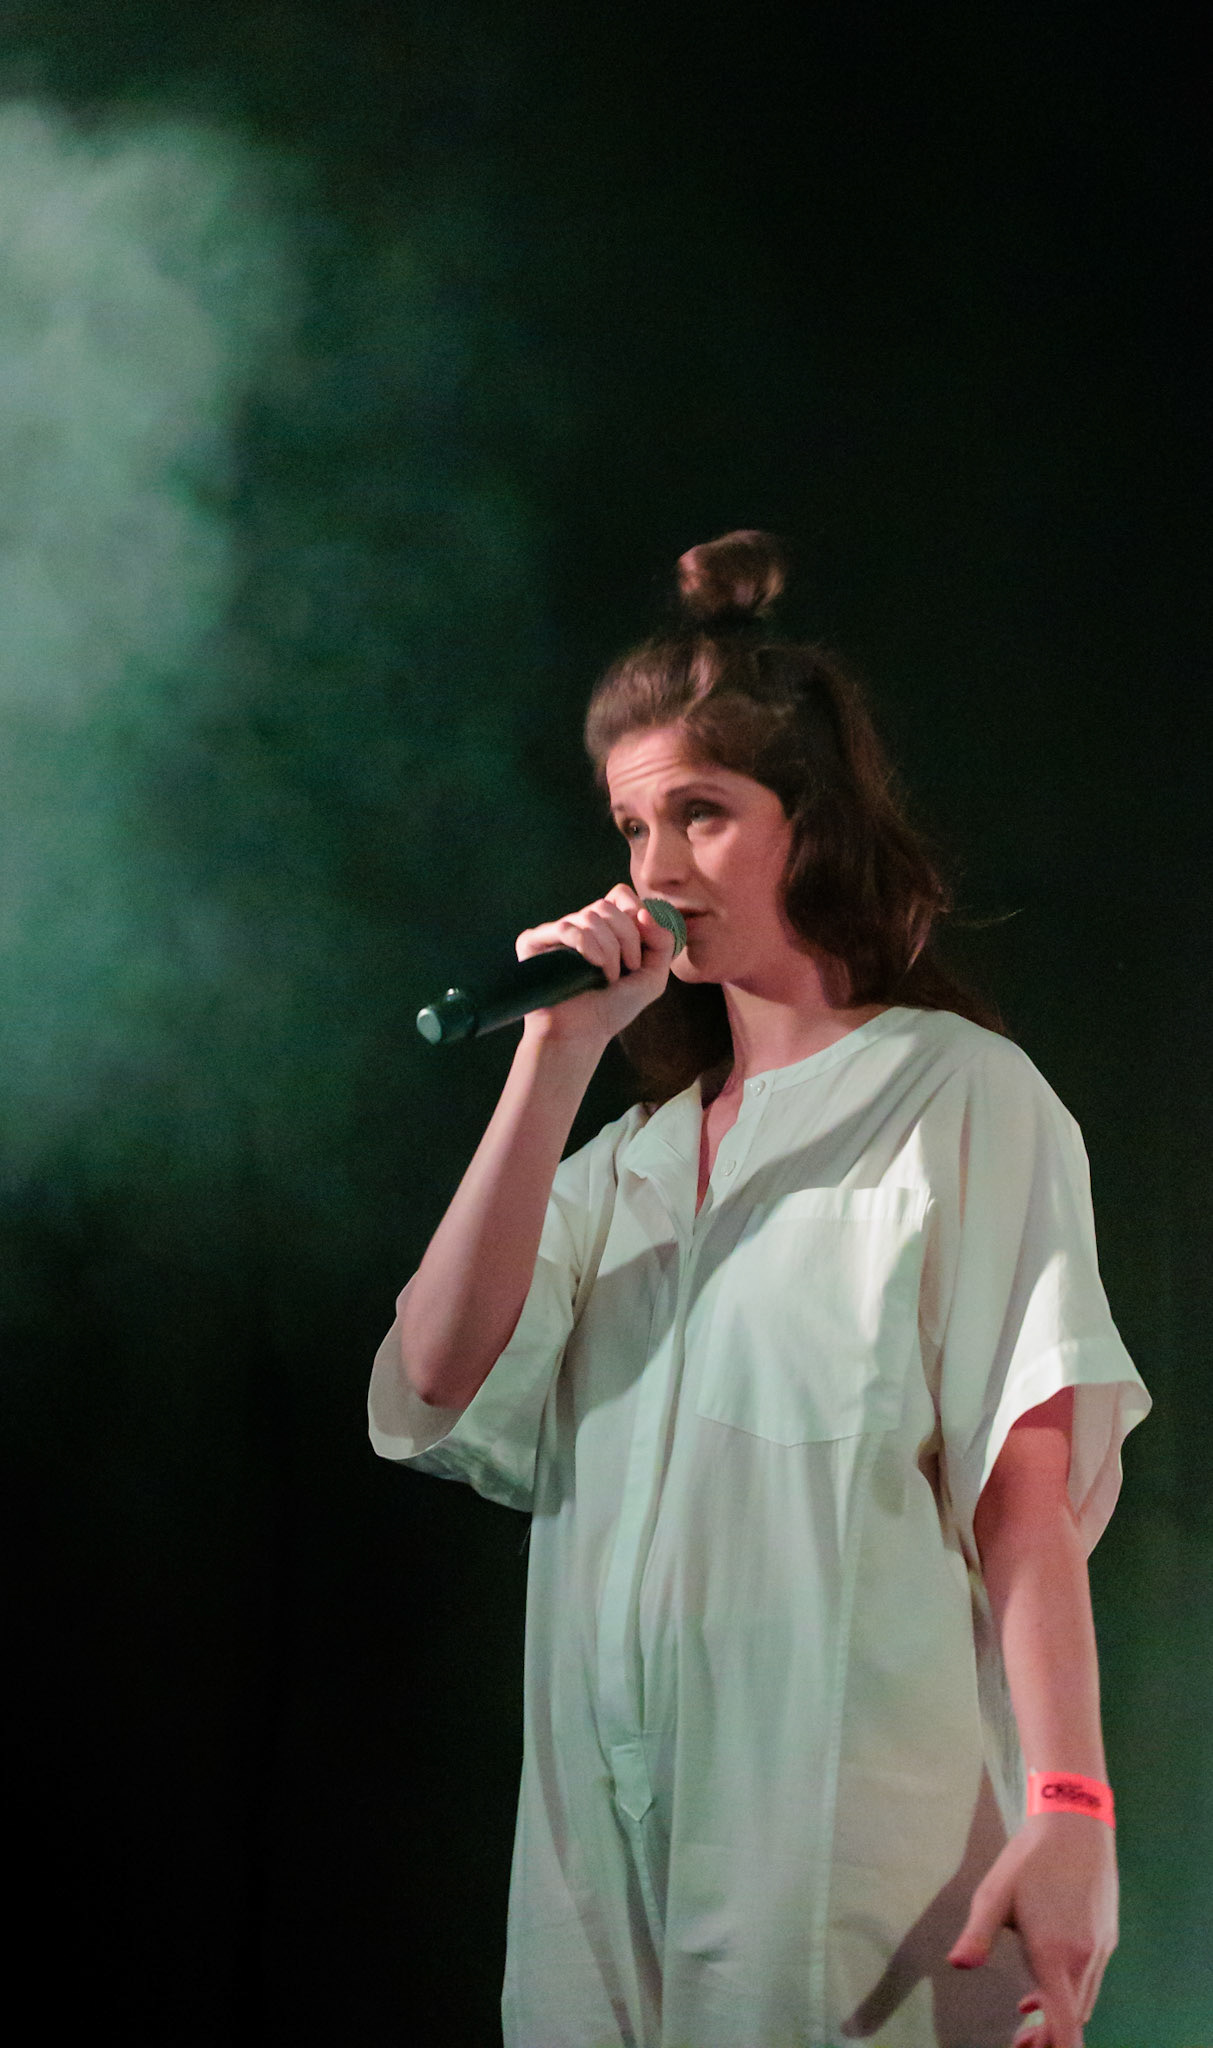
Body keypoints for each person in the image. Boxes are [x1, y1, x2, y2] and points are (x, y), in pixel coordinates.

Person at [367, 530, 1150, 2048]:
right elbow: (433, 1378)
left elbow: (1024, 1497)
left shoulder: (956, 1098)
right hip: (603, 1872)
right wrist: (556, 1059)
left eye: (703, 816)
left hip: (849, 1860)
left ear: (811, 828)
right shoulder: (627, 1168)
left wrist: (1069, 1806)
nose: (654, 871)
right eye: (630, 826)